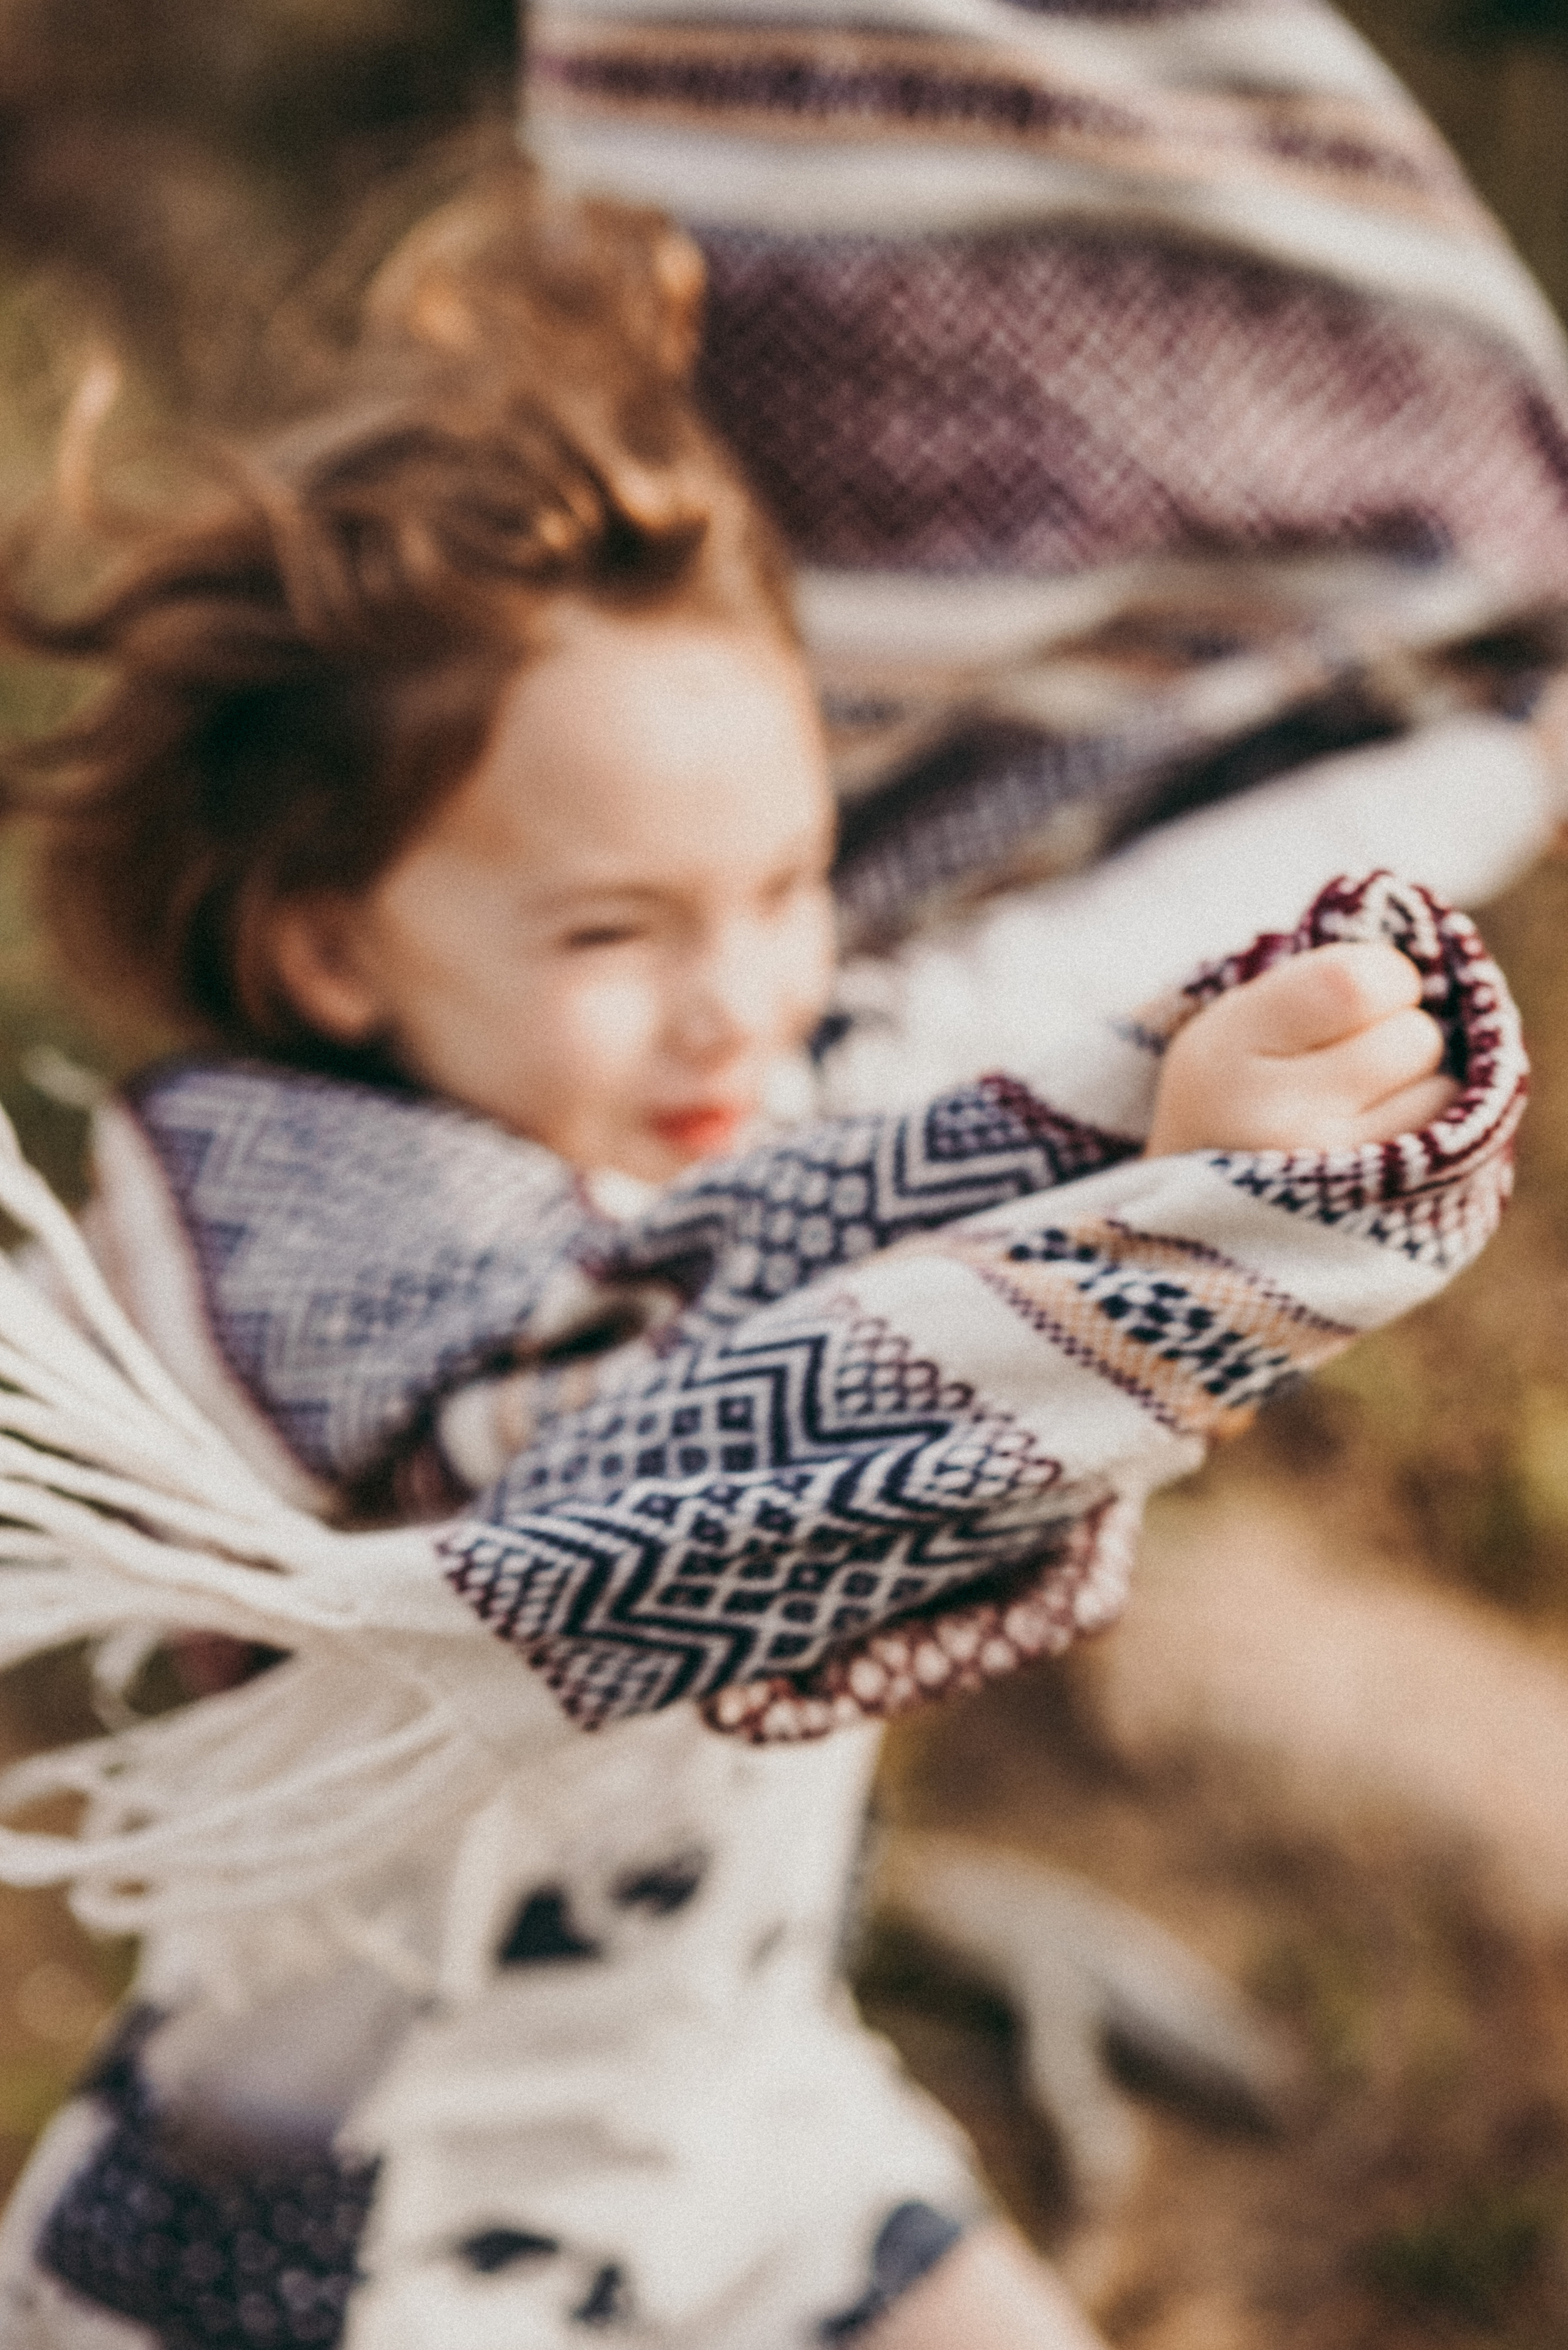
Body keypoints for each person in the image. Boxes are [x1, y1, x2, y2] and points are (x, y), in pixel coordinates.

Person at [0, 163, 1526, 2349]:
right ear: (329, 941)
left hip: (745, 2139)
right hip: (340, 2255)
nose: (742, 1001)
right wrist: (1165, 1225)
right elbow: (628, 1444)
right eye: (617, 931)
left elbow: (914, 1108)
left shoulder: (738, 1091)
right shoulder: (266, 1242)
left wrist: (1415, 798)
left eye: (793, 882)